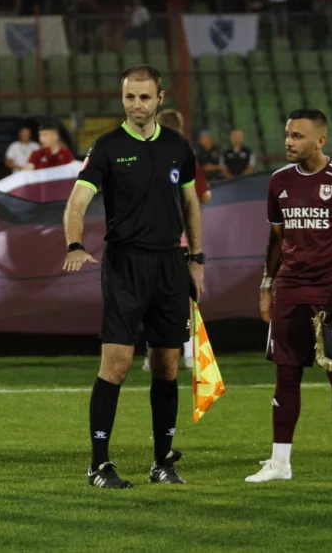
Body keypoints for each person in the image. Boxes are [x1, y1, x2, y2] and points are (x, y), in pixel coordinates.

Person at [62, 65, 205, 488]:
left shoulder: (178, 147)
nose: (137, 105)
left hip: (169, 266)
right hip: (125, 265)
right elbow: (76, 203)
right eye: (129, 97)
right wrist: (75, 244)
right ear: (122, 98)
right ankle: (99, 464)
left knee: (167, 364)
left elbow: (191, 205)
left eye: (144, 97)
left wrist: (196, 258)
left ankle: (163, 461)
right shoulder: (106, 147)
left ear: (160, 98)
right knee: (118, 364)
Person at [246, 109, 332, 484]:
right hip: (290, 290)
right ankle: (279, 463)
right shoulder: (279, 181)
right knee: (286, 375)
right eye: (287, 134)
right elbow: (276, 239)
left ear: (320, 140)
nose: (288, 141)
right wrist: (267, 284)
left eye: (298, 136)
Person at [152, 109, 209, 371]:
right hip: (180, 239)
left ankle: (149, 354)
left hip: (147, 239)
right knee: (182, 297)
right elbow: (204, 195)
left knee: (149, 296)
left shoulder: (145, 153)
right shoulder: (184, 154)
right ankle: (188, 352)